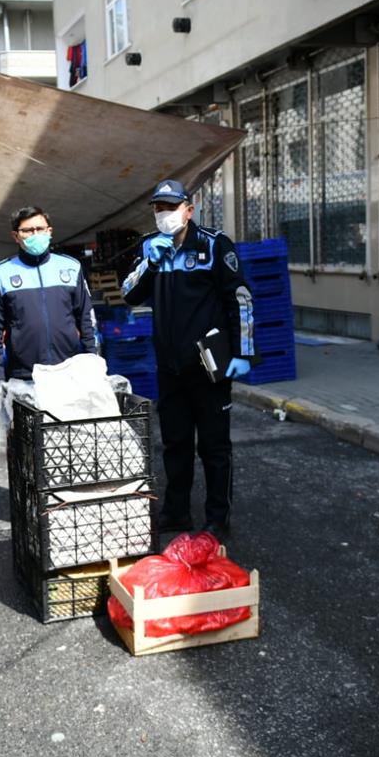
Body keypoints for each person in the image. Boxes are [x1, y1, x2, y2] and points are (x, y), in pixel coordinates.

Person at [121, 180, 257, 539]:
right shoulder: (151, 247)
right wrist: (151, 264)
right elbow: (129, 295)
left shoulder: (213, 245)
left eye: (171, 206)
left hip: (209, 367)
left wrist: (243, 352)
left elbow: (239, 299)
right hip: (170, 367)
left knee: (214, 448)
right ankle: (177, 512)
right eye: (158, 208)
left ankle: (217, 518)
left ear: (189, 209)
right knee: (175, 444)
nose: (164, 214)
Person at [0, 207, 96, 389]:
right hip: (24, 376)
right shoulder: (1, 273)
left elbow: (86, 319)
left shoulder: (71, 267)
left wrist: (93, 359)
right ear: (16, 236)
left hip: (69, 370)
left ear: (49, 232)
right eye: (28, 230)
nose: (35, 234)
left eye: (40, 229)